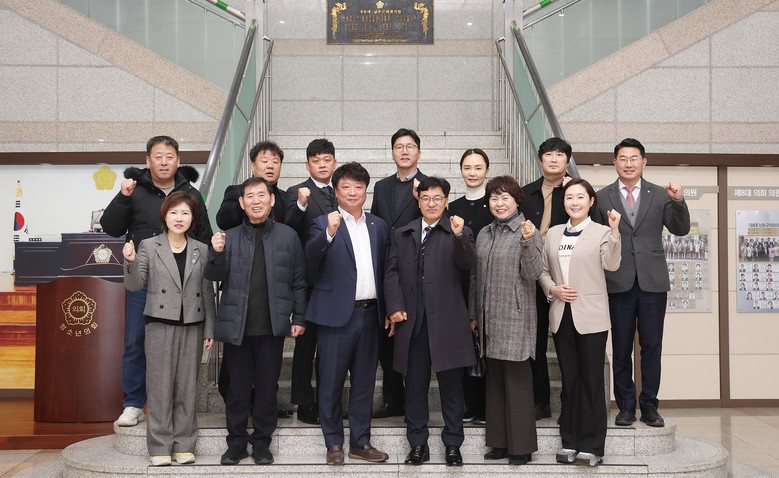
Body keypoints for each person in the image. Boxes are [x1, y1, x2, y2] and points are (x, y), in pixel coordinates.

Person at [101, 135, 213, 427]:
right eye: (158, 157)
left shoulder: (191, 194)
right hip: (144, 279)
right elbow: (110, 227)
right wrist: (122, 196)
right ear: (148, 161)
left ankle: (175, 407)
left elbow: (203, 237)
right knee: (136, 342)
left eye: (170, 156)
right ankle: (133, 404)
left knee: (178, 347)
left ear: (178, 161)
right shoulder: (134, 191)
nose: (164, 162)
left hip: (181, 282)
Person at [204, 177, 308, 466]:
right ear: (241, 203)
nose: (256, 201)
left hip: (272, 327)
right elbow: (213, 276)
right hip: (237, 328)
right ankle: (236, 443)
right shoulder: (229, 237)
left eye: (262, 195)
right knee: (237, 389)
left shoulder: (288, 236)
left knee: (266, 388)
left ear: (272, 200)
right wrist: (216, 253)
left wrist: (299, 317)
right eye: (249, 196)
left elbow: (299, 281)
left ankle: (262, 442)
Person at [591, 138, 690, 428]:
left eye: (634, 158)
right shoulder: (602, 196)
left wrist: (678, 201)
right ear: (614, 162)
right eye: (623, 158)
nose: (629, 164)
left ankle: (649, 406)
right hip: (617, 281)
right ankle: (625, 406)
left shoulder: (660, 194)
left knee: (652, 346)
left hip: (652, 282)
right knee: (621, 347)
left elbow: (680, 229)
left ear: (644, 162)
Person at [384, 177, 477, 467]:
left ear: (446, 201)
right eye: (426, 198)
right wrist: (395, 306)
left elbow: (469, 264)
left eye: (437, 198)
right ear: (419, 200)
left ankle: (453, 444)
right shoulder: (403, 233)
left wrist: (459, 237)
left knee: (452, 388)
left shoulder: (458, 230)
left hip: (449, 324)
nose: (432, 203)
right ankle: (417, 444)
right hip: (414, 324)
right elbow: (391, 273)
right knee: (414, 386)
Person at [305, 162, 390, 465]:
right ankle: (333, 444)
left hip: (370, 314)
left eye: (359, 187)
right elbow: (309, 259)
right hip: (335, 317)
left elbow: (386, 270)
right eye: (346, 187)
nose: (353, 192)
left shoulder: (378, 226)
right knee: (330, 382)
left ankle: (360, 442)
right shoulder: (321, 223)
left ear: (366, 191)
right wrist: (328, 234)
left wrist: (389, 310)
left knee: (364, 383)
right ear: (336, 191)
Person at [122, 191, 215, 466]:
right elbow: (135, 285)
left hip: (193, 325)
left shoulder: (201, 249)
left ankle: (184, 445)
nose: (179, 218)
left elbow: (207, 292)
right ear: (164, 216)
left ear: (192, 218)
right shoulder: (149, 246)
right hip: (159, 325)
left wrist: (210, 329)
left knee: (187, 389)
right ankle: (160, 446)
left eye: (185, 213)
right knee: (160, 389)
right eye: (174, 212)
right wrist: (129, 261)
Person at [539, 178, 621, 467]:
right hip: (562, 314)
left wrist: (615, 232)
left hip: (591, 317)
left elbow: (611, 264)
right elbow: (543, 271)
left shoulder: (601, 232)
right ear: (563, 203)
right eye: (569, 197)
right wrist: (553, 288)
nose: (574, 202)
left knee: (591, 380)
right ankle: (570, 440)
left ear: (591, 201)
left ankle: (592, 445)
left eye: (580, 197)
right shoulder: (553, 234)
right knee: (570, 380)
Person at [470, 175, 542, 466]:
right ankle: (499, 443)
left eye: (505, 198)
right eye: (494, 198)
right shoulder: (485, 233)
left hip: (515, 317)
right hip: (488, 318)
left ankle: (521, 447)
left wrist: (528, 241)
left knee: (517, 385)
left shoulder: (527, 230)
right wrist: (473, 314)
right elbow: (474, 276)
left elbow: (534, 273)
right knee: (495, 383)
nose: (499, 203)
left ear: (516, 201)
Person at [369, 128, 429, 418]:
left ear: (419, 152)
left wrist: (420, 198)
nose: (404, 151)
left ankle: (414, 403)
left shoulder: (428, 186)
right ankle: (393, 400)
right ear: (392, 152)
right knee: (387, 339)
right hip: (385, 268)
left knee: (414, 340)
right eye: (399, 147)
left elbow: (435, 221)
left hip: (415, 271)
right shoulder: (381, 186)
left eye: (410, 146)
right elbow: (376, 225)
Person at [284, 138, 340, 425]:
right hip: (308, 281)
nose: (322, 165)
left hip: (339, 280)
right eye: (316, 161)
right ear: (307, 165)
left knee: (332, 347)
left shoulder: (342, 190)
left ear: (334, 163)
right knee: (306, 346)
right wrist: (301, 205)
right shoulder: (296, 192)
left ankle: (328, 402)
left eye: (327, 160)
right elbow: (287, 229)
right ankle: (305, 403)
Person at [519, 137, 572, 420]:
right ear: (540, 160)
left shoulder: (577, 192)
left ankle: (571, 402)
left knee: (567, 342)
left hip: (567, 276)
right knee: (535, 341)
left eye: (559, 154)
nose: (553, 159)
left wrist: (572, 190)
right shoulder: (525, 194)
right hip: (532, 275)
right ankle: (540, 401)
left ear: (567, 161)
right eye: (548, 154)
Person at [448, 149, 493, 424]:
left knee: (487, 344)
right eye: (467, 167)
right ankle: (469, 403)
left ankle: (488, 405)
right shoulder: (453, 207)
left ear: (487, 170)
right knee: (465, 344)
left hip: (490, 283)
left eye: (478, 167)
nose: (472, 173)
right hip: (461, 284)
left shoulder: (496, 203)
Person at [216, 141, 288, 229]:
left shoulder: (286, 197)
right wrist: (246, 200)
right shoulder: (236, 192)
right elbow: (223, 222)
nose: (270, 166)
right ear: (253, 166)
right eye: (264, 161)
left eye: (275, 162)